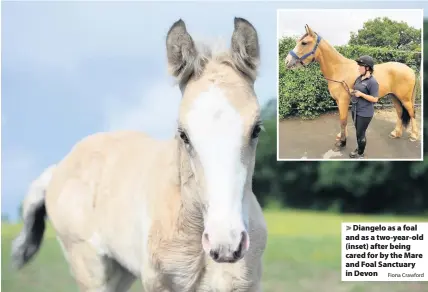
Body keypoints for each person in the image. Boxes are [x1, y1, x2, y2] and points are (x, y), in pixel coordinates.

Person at [350, 55, 380, 159]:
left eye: (360, 66)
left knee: (361, 133)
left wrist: (361, 95)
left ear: (367, 68)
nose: (358, 68)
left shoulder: (372, 82)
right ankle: (359, 148)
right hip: (355, 110)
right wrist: (352, 92)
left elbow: (375, 99)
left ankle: (361, 154)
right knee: (358, 132)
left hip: (365, 113)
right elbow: (356, 90)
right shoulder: (359, 78)